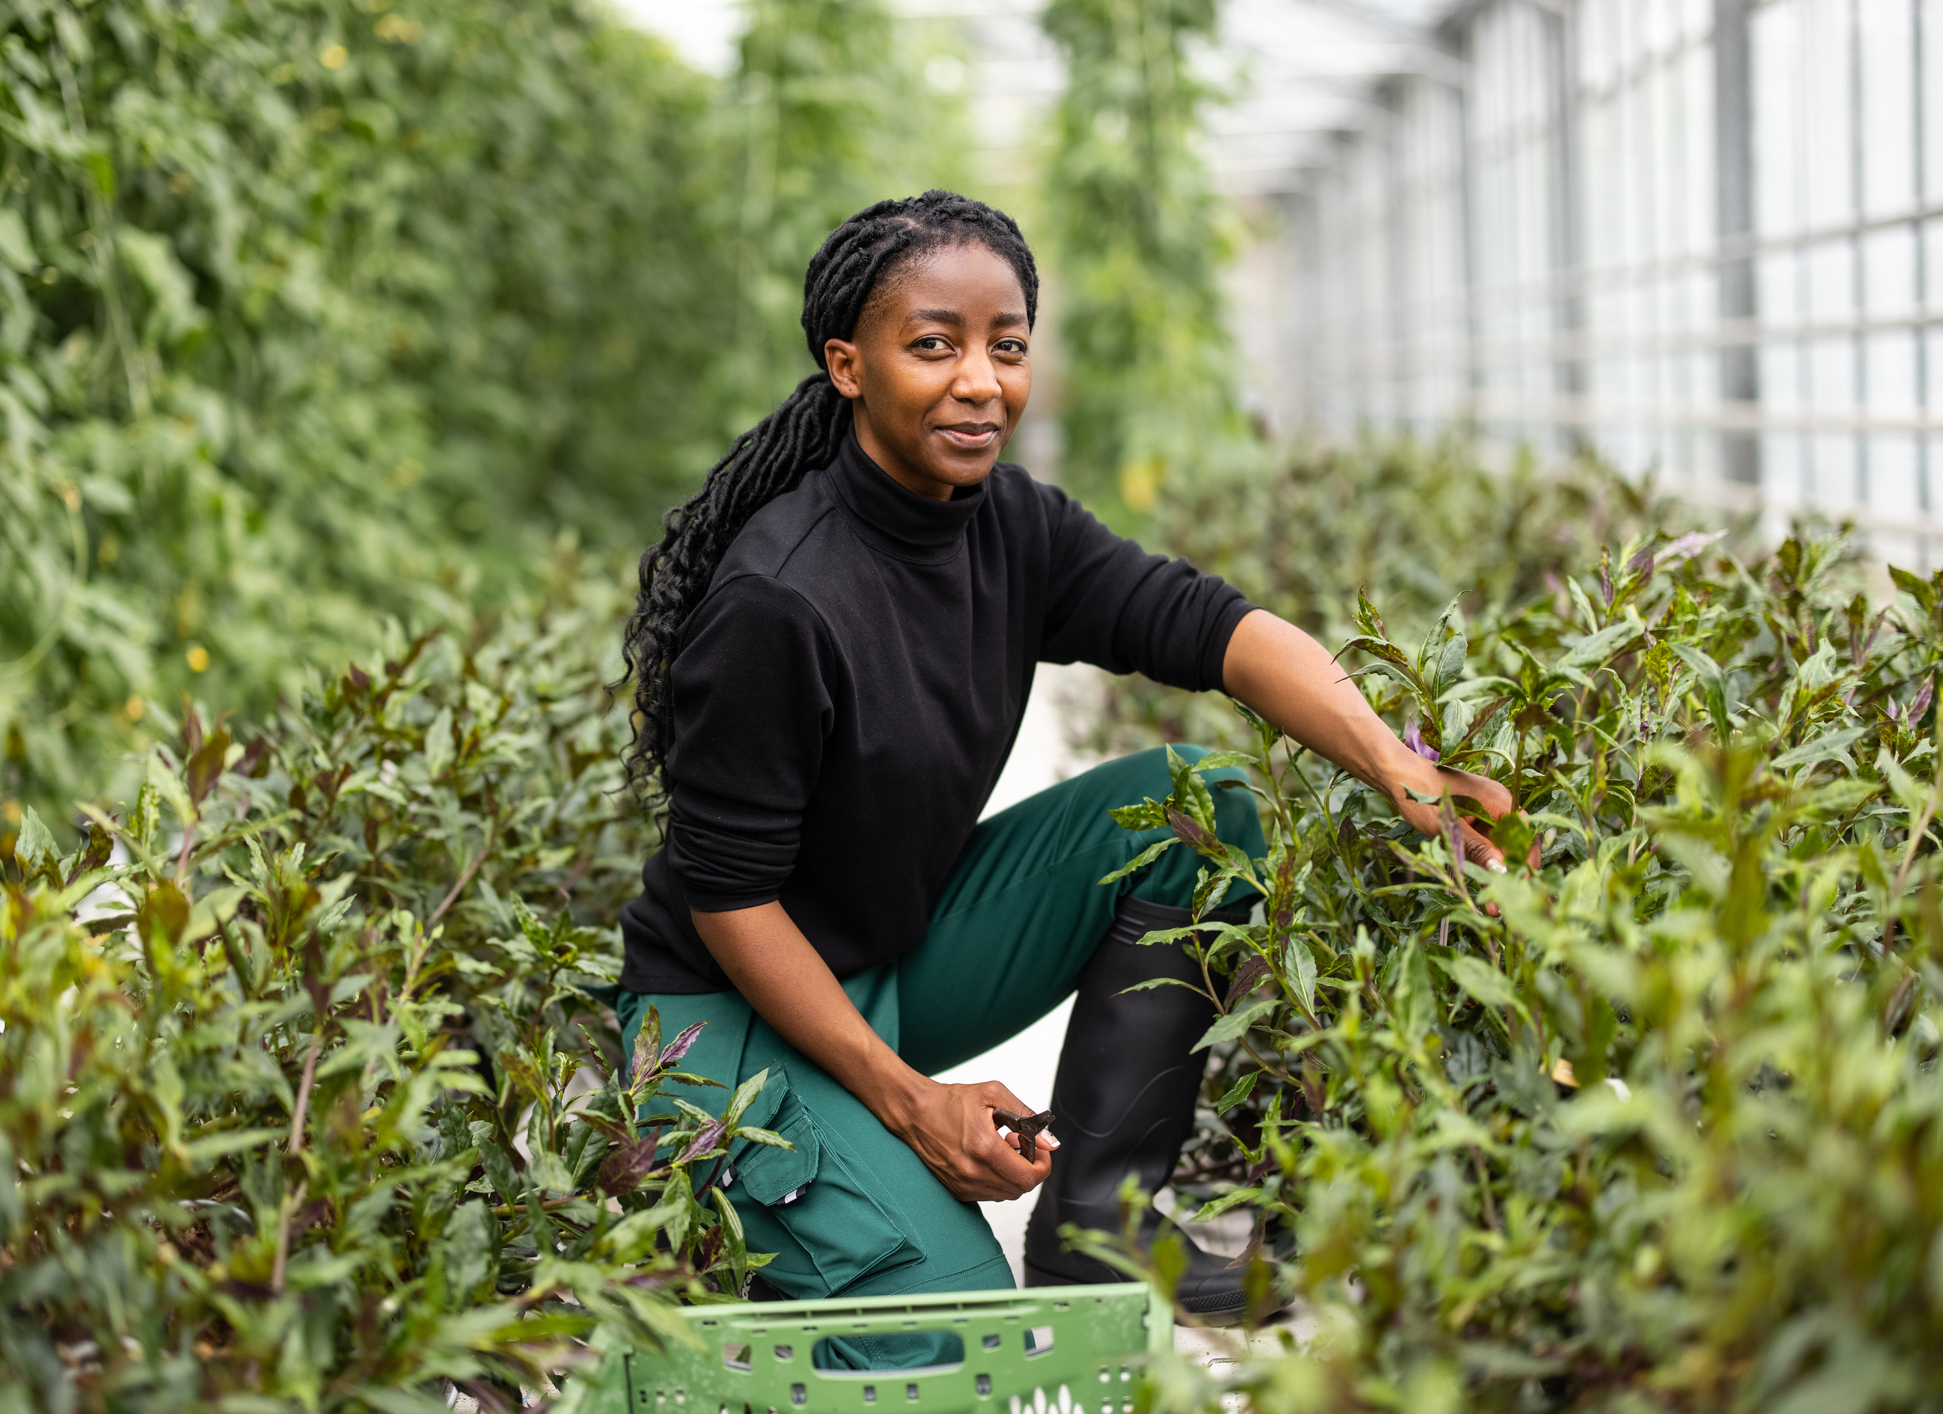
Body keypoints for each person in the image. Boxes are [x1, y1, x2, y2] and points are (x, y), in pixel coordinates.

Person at [610, 191, 1516, 1354]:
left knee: (1198, 807)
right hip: (721, 1021)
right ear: (847, 363)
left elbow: (1211, 628)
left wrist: (1403, 769)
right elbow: (726, 902)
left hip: (883, 959)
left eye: (1006, 345)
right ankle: (780, 1205)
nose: (978, 380)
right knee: (953, 1334)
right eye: (931, 345)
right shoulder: (779, 601)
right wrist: (913, 1103)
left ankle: (1099, 1231)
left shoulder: (1007, 523)